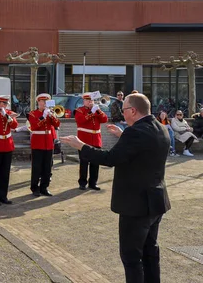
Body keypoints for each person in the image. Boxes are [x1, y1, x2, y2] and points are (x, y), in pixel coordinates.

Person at [60, 93, 171, 283]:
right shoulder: (160, 128)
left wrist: (81, 146)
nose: (123, 113)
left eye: (124, 109)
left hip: (136, 204)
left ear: (133, 111)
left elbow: (110, 159)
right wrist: (122, 135)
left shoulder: (134, 133)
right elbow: (143, 149)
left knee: (131, 258)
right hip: (156, 200)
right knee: (150, 252)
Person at [28, 93, 60, 197]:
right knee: (37, 167)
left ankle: (44, 187)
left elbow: (57, 124)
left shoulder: (50, 112)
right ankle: (34, 188)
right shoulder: (33, 113)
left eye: (46, 101)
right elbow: (34, 126)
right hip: (38, 142)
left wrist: (52, 116)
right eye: (43, 101)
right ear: (39, 102)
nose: (45, 103)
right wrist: (43, 116)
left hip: (48, 142)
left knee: (47, 167)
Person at [74, 93, 108, 190]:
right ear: (84, 101)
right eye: (88, 100)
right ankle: (82, 182)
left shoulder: (96, 110)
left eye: (91, 100)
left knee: (95, 162)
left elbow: (104, 119)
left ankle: (93, 183)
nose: (90, 102)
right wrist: (91, 113)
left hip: (96, 139)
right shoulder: (79, 110)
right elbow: (81, 121)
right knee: (84, 162)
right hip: (84, 139)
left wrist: (98, 111)